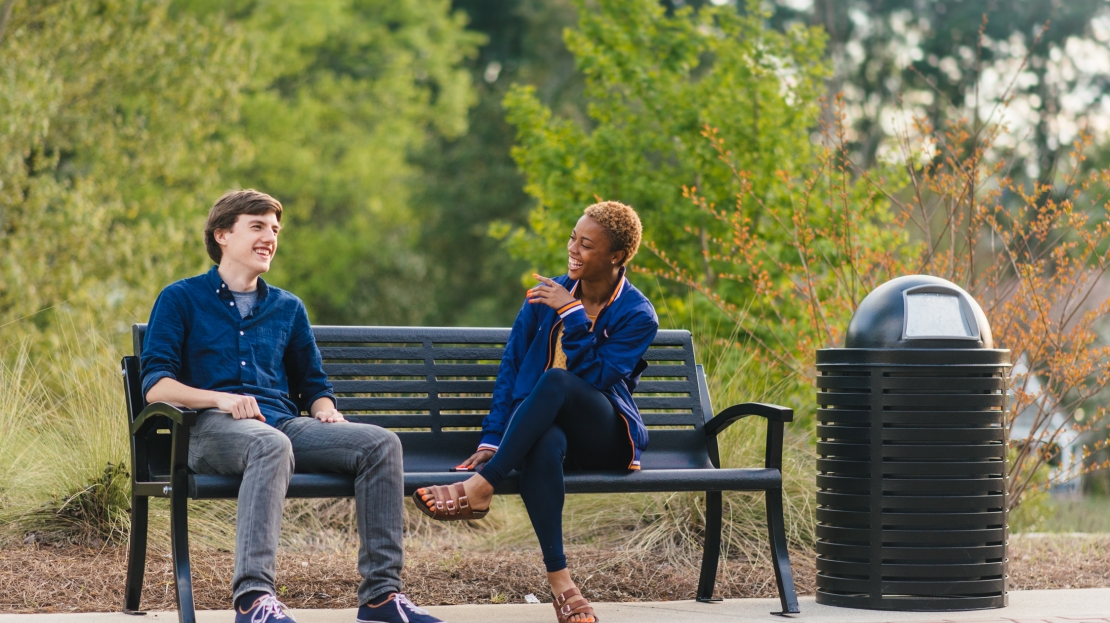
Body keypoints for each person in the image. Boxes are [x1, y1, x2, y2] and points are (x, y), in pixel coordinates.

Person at [142, 190, 443, 623]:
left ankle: (381, 598)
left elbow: (313, 383)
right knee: (269, 444)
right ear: (222, 234)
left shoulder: (287, 307)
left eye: (275, 230)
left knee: (380, 444)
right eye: (258, 226)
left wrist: (323, 408)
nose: (270, 237)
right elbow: (157, 388)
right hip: (208, 429)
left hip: (281, 424)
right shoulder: (180, 299)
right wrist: (221, 399)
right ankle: (253, 600)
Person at [413, 201, 658, 623]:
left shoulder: (637, 314)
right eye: (572, 239)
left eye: (586, 245)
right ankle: (562, 583)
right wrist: (494, 440)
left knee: (557, 381)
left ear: (616, 256)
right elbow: (511, 370)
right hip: (549, 433)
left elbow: (597, 377)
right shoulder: (542, 298)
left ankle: (481, 488)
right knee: (544, 441)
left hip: (606, 437)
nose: (573, 250)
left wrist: (572, 314)